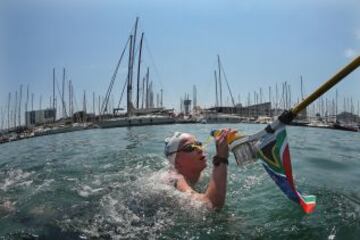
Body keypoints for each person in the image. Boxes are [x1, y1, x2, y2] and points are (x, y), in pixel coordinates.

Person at [164, 129, 234, 209]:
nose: (200, 149)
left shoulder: (203, 176)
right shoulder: (174, 178)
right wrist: (221, 157)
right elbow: (210, 205)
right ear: (175, 161)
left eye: (199, 144)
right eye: (190, 148)